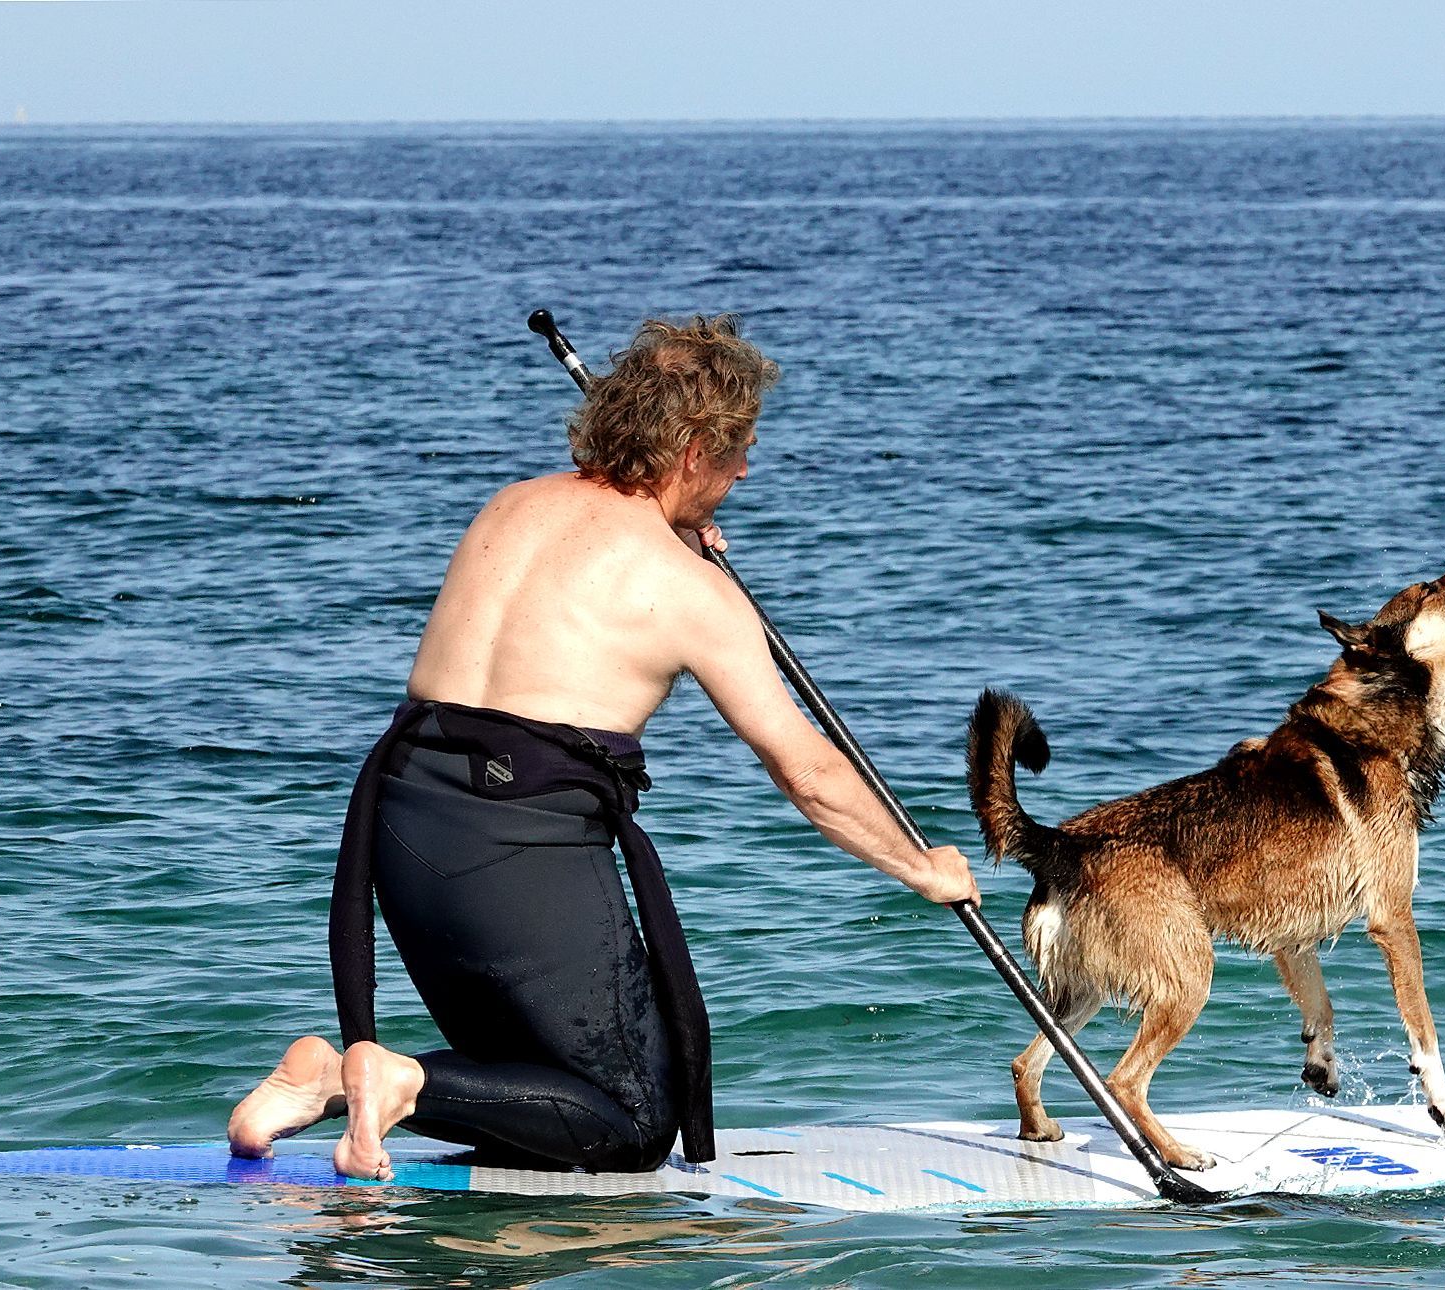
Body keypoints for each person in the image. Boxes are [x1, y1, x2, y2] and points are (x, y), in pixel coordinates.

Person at [226, 316, 979, 1181]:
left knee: (541, 1092)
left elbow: (568, 589)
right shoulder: (690, 591)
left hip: (402, 818)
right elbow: (803, 770)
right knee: (627, 1124)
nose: (745, 472)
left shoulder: (512, 503)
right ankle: (360, 1079)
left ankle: (376, 1107)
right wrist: (920, 865)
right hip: (515, 840)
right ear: (693, 448)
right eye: (739, 452)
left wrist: (674, 534)